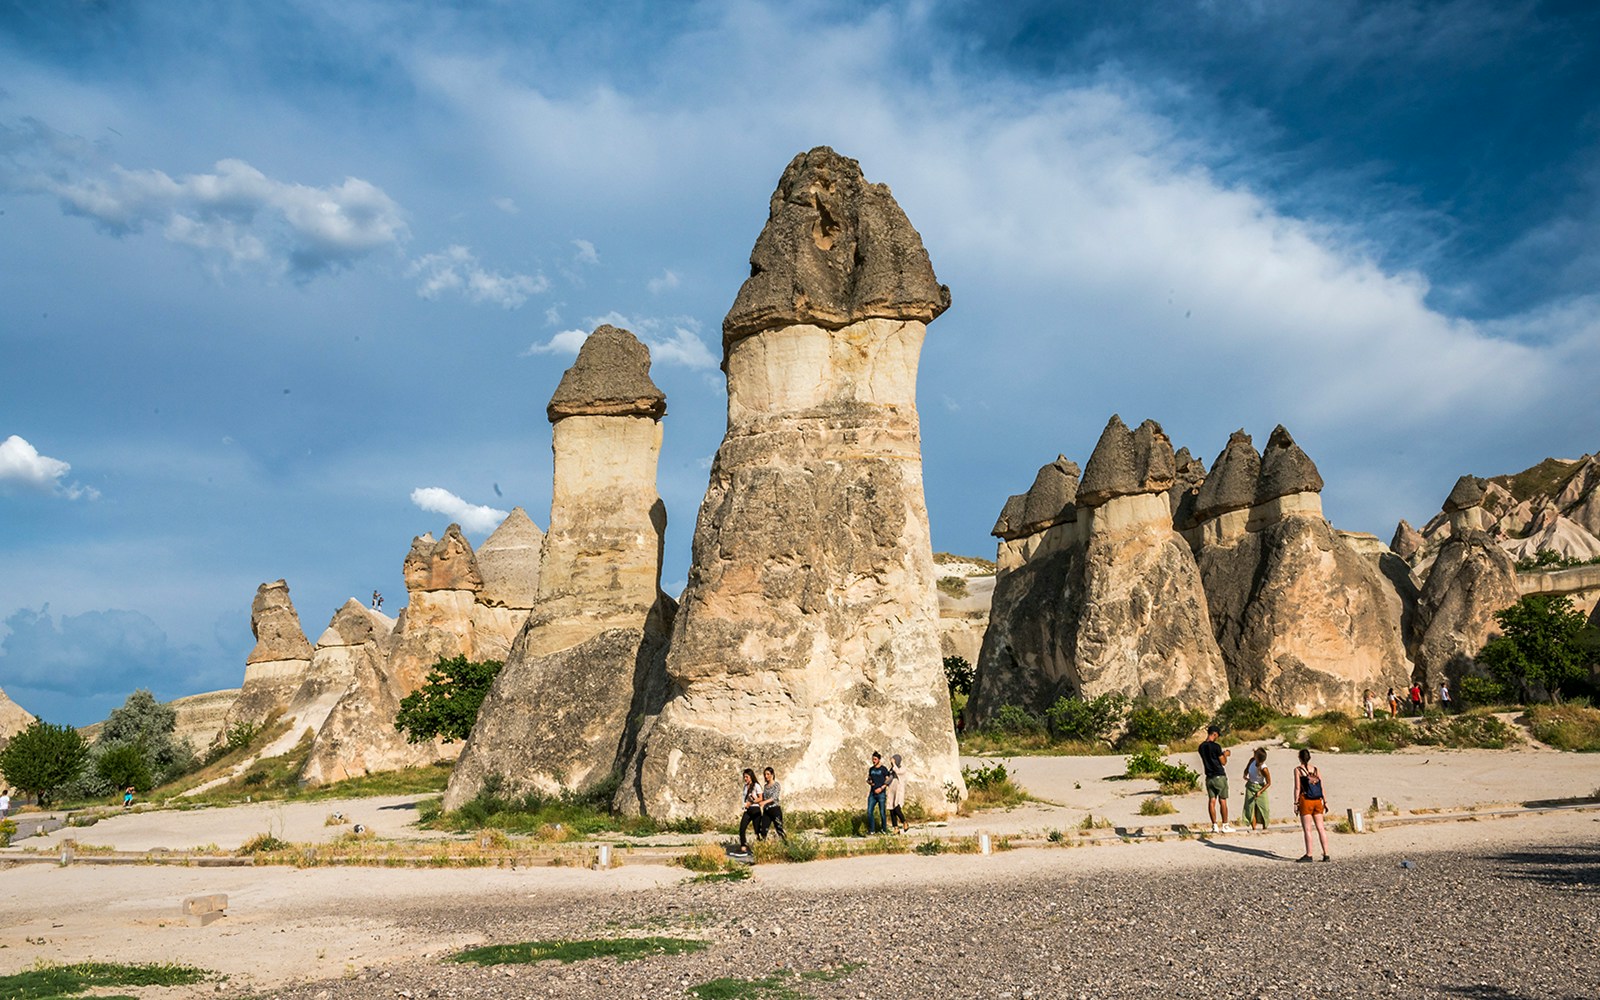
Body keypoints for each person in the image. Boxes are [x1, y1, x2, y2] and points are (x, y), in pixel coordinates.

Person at [1293, 748, 1330, 862]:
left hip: (1306, 800)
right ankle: (1326, 853)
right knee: (1320, 828)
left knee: (1308, 829)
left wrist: (1296, 802)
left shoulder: (1298, 770)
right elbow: (1321, 786)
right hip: (1318, 800)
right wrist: (1325, 801)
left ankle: (1309, 854)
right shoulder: (1315, 769)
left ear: (1299, 757)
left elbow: (1297, 787)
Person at [1199, 726, 1233, 833]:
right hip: (1219, 775)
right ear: (1214, 734)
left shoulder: (1201, 747)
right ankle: (1225, 825)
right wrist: (1225, 754)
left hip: (1209, 776)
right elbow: (1223, 762)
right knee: (1222, 800)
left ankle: (1214, 825)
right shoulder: (1216, 747)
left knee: (1211, 801)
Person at [1241, 747, 1271, 831]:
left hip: (1260, 787)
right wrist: (1245, 774)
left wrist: (1260, 791)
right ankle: (1253, 828)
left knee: (1264, 808)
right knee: (1250, 808)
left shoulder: (1264, 768)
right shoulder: (1252, 760)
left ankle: (1265, 827)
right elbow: (1246, 769)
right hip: (1250, 786)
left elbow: (1269, 782)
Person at [737, 768, 763, 850]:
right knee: (742, 827)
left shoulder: (756, 786)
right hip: (747, 810)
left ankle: (761, 845)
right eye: (744, 777)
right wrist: (744, 805)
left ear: (751, 776)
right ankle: (743, 845)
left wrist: (751, 802)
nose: (745, 779)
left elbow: (761, 798)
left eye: (747, 777)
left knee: (757, 829)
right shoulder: (745, 786)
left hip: (755, 809)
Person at [759, 767, 787, 843]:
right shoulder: (765, 786)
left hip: (775, 809)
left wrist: (764, 802)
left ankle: (787, 845)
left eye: (768, 774)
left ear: (772, 774)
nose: (766, 776)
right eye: (765, 774)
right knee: (763, 830)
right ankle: (762, 848)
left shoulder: (776, 785)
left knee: (779, 829)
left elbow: (774, 797)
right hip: (767, 811)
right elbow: (763, 798)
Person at [866, 752, 889, 834]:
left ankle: (884, 829)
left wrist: (882, 788)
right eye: (873, 759)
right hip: (872, 793)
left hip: (881, 794)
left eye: (875, 759)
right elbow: (869, 778)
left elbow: (888, 780)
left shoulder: (883, 769)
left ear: (879, 759)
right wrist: (869, 782)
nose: (873, 761)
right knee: (869, 812)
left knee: (882, 812)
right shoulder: (871, 769)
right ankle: (872, 830)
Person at [885, 754, 908, 833]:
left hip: (898, 790)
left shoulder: (902, 768)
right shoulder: (892, 769)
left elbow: (898, 772)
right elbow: (889, 777)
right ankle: (896, 827)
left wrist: (894, 764)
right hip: (892, 790)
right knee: (891, 809)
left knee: (897, 808)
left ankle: (904, 822)